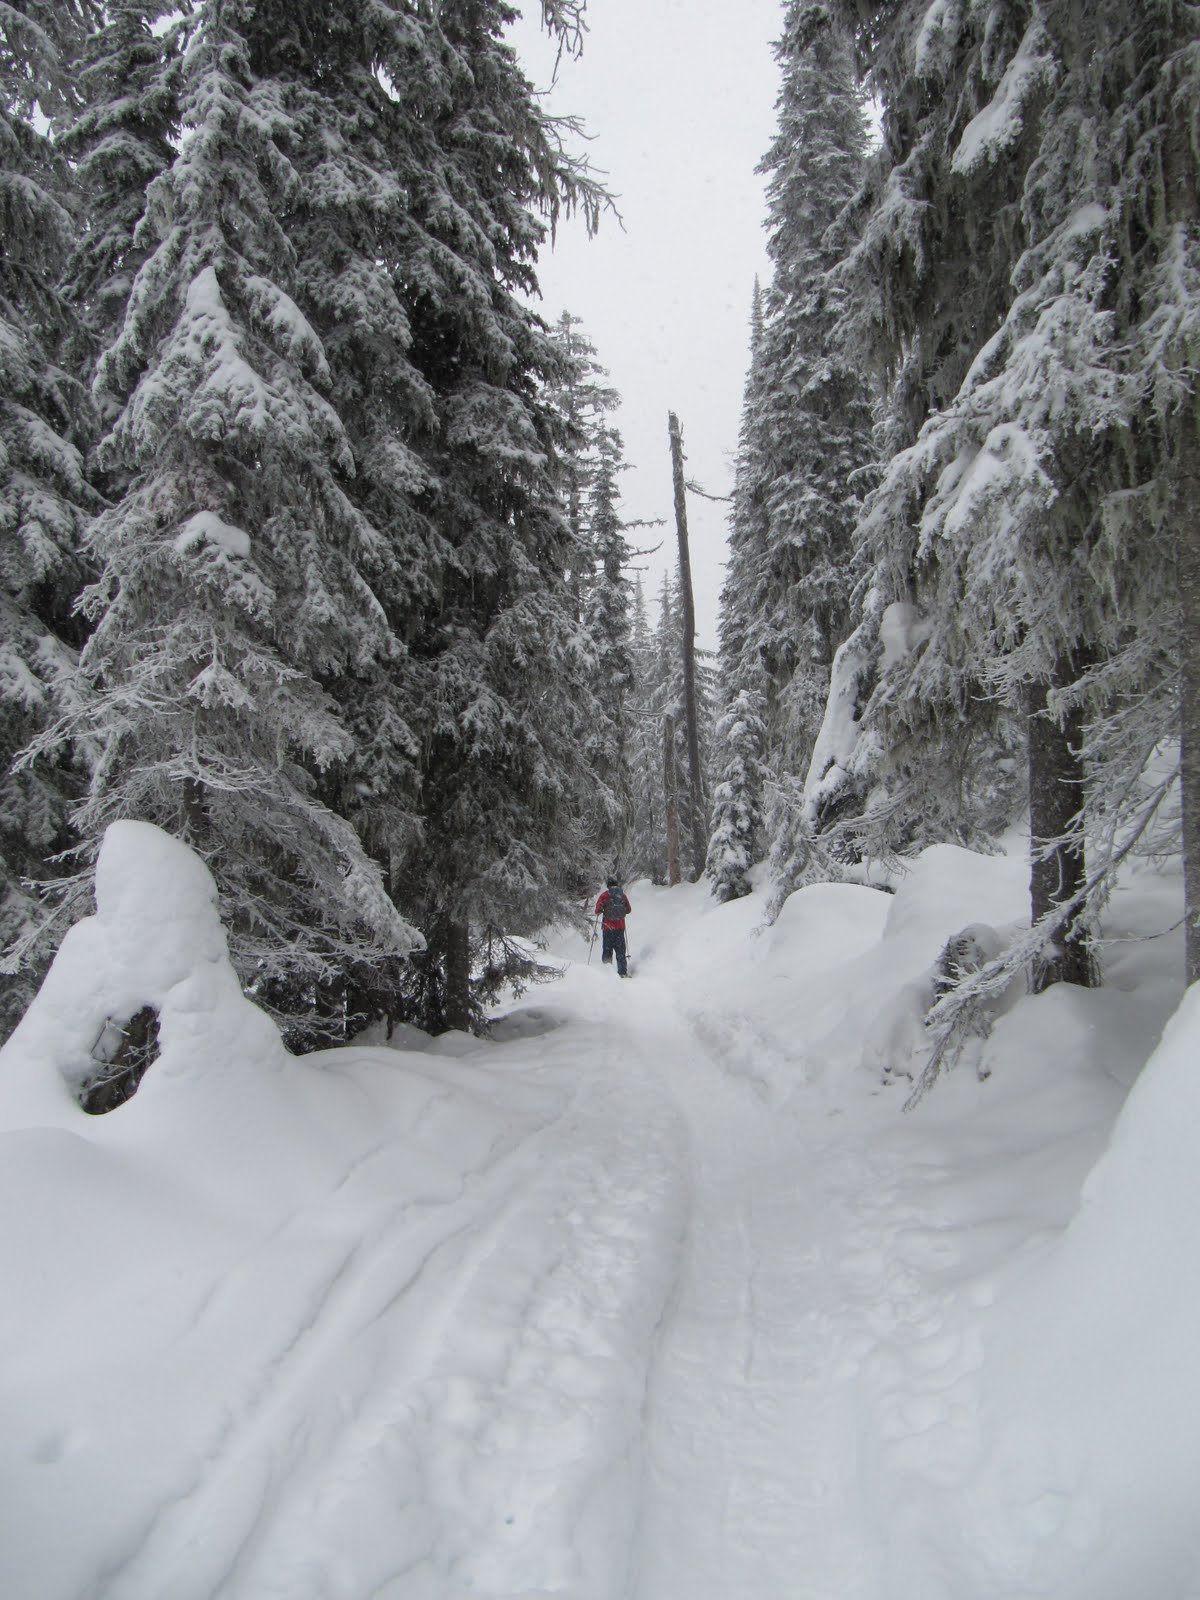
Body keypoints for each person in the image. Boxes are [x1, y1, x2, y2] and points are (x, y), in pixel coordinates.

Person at [595, 877, 631, 976]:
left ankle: (607, 974)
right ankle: (622, 973)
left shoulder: (604, 895)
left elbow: (597, 911)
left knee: (607, 951)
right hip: (620, 928)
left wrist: (602, 909)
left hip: (607, 928)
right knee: (620, 951)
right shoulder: (622, 896)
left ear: (608, 885)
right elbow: (629, 909)